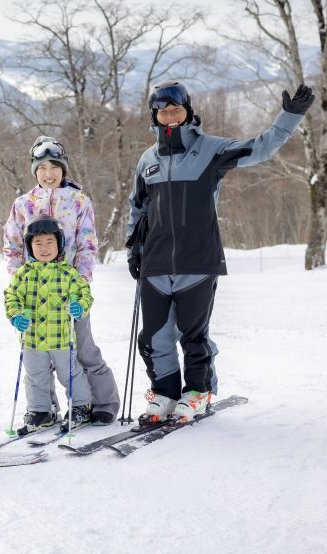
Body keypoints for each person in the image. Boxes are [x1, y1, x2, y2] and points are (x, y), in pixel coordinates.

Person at [126, 80, 314, 423]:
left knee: (192, 335)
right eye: (163, 112)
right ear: (155, 116)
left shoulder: (210, 150)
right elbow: (137, 209)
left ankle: (197, 393)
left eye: (176, 110)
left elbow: (259, 148)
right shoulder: (147, 160)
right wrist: (132, 250)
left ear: (188, 112)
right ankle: (165, 393)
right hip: (154, 263)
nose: (170, 117)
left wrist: (290, 116)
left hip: (197, 261)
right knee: (154, 336)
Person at [2, 136, 120, 425]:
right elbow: (12, 244)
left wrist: (79, 284)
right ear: (35, 171)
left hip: (69, 292)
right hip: (33, 291)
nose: (49, 173)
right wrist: (18, 279)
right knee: (39, 355)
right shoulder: (23, 204)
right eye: (42, 167)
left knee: (83, 349)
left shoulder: (79, 201)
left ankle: (101, 403)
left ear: (64, 169)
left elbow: (87, 243)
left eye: (54, 166)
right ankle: (44, 409)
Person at [4, 215, 94, 432]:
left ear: (59, 244)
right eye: (38, 244)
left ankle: (81, 406)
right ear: (30, 247)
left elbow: (85, 294)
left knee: (70, 374)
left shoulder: (69, 274)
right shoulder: (23, 274)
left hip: (61, 338)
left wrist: (80, 306)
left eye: (49, 243)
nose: (44, 248)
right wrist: (15, 315)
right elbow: (11, 296)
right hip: (32, 338)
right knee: (35, 377)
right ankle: (41, 411)